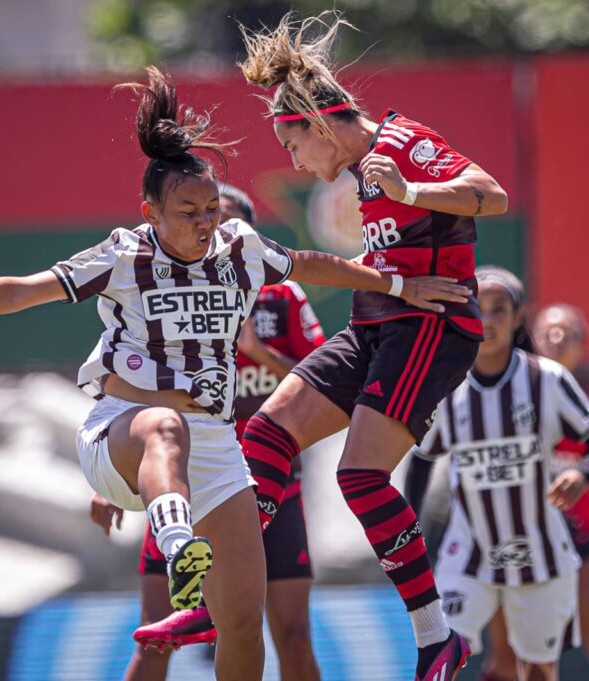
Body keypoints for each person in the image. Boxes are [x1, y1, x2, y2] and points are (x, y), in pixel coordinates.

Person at [0, 66, 469, 681]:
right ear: (150, 211)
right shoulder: (123, 256)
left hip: (215, 448)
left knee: (244, 630)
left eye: (210, 209)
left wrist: (396, 282)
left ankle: (197, 581)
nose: (204, 223)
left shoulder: (238, 249)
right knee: (165, 425)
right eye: (188, 211)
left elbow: (312, 262)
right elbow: (19, 292)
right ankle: (180, 551)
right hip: (122, 432)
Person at [231, 12, 508, 680]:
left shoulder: (400, 143)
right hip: (379, 321)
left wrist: (411, 187)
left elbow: (492, 195)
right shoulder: (360, 172)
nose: (293, 161)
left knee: (358, 477)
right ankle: (227, 577)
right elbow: (398, 247)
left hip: (429, 328)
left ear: (319, 125)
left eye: (293, 145)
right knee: (266, 435)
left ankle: (437, 638)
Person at [91, 183, 325, 681]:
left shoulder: (281, 298)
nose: (209, 235)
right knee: (157, 634)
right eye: (200, 223)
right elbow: (123, 384)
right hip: (183, 479)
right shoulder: (157, 289)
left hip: (271, 488)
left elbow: (319, 382)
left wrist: (258, 350)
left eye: (221, 222)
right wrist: (112, 475)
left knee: (291, 634)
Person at [405, 267, 589, 681]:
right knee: (439, 652)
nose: (486, 320)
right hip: (467, 552)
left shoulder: (548, 379)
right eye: (477, 308)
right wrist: (409, 533)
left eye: (498, 310)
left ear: (518, 317)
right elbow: (422, 460)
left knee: (538, 668)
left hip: (540, 550)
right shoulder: (447, 385)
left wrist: (582, 474)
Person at [476, 303, 589, 681]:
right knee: (511, 660)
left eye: (567, 333)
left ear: (581, 347)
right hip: (514, 535)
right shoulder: (510, 391)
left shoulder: (578, 404)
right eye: (549, 331)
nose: (557, 339)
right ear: (533, 339)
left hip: (568, 538)